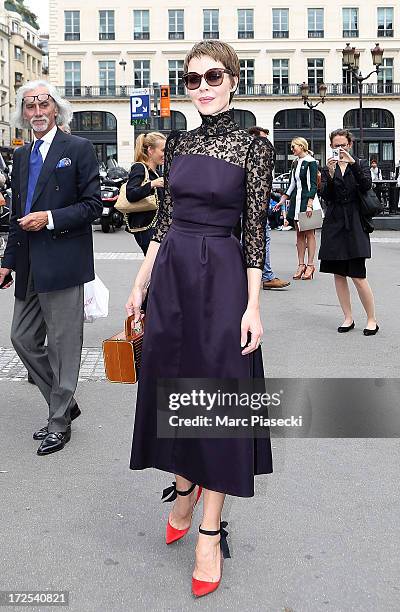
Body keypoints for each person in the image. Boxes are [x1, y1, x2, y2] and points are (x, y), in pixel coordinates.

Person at [126, 40, 273, 597]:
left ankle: (208, 530)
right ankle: (183, 490)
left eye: (214, 76)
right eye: (192, 79)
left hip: (224, 279)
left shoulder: (251, 145)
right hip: (173, 279)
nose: (203, 86)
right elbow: (162, 225)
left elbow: (255, 232)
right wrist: (139, 287)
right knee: (176, 389)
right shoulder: (180, 142)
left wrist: (254, 305)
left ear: (233, 79)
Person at [0, 80, 102, 454]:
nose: (37, 111)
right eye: (30, 106)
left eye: (44, 104)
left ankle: (58, 420)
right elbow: (15, 214)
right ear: (23, 114)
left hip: (63, 261)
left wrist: (50, 218)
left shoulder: (79, 148)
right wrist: (6, 262)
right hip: (28, 263)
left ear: (56, 109)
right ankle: (66, 402)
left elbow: (93, 206)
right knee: (22, 338)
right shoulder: (22, 155)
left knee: (62, 347)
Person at [318, 128, 379, 335]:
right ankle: (348, 317)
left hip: (354, 222)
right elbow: (326, 195)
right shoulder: (328, 168)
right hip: (334, 222)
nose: (340, 149)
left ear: (350, 145)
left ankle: (371, 319)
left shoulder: (359, 164)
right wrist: (330, 173)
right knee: (338, 273)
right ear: (331, 147)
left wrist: (352, 166)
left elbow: (366, 185)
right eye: (336, 146)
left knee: (358, 274)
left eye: (343, 145)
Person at [247, 126, 290, 290]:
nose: (266, 143)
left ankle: (259, 275)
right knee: (261, 239)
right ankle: (266, 276)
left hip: (255, 206)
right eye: (263, 139)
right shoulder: (255, 157)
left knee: (255, 239)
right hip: (254, 207)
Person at [279, 137, 321, 280]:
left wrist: (309, 204)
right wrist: (283, 200)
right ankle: (301, 264)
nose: (292, 150)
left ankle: (310, 265)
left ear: (302, 146)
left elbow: (313, 184)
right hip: (297, 201)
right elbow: (292, 183)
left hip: (307, 201)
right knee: (299, 234)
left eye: (293, 147)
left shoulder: (310, 162)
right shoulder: (296, 162)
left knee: (309, 233)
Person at [125, 132, 165, 255]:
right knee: (155, 266)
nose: (165, 154)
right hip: (146, 228)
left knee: (157, 267)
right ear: (150, 150)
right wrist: (152, 184)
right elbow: (131, 194)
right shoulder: (139, 168)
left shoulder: (156, 173)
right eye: (163, 150)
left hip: (155, 227)